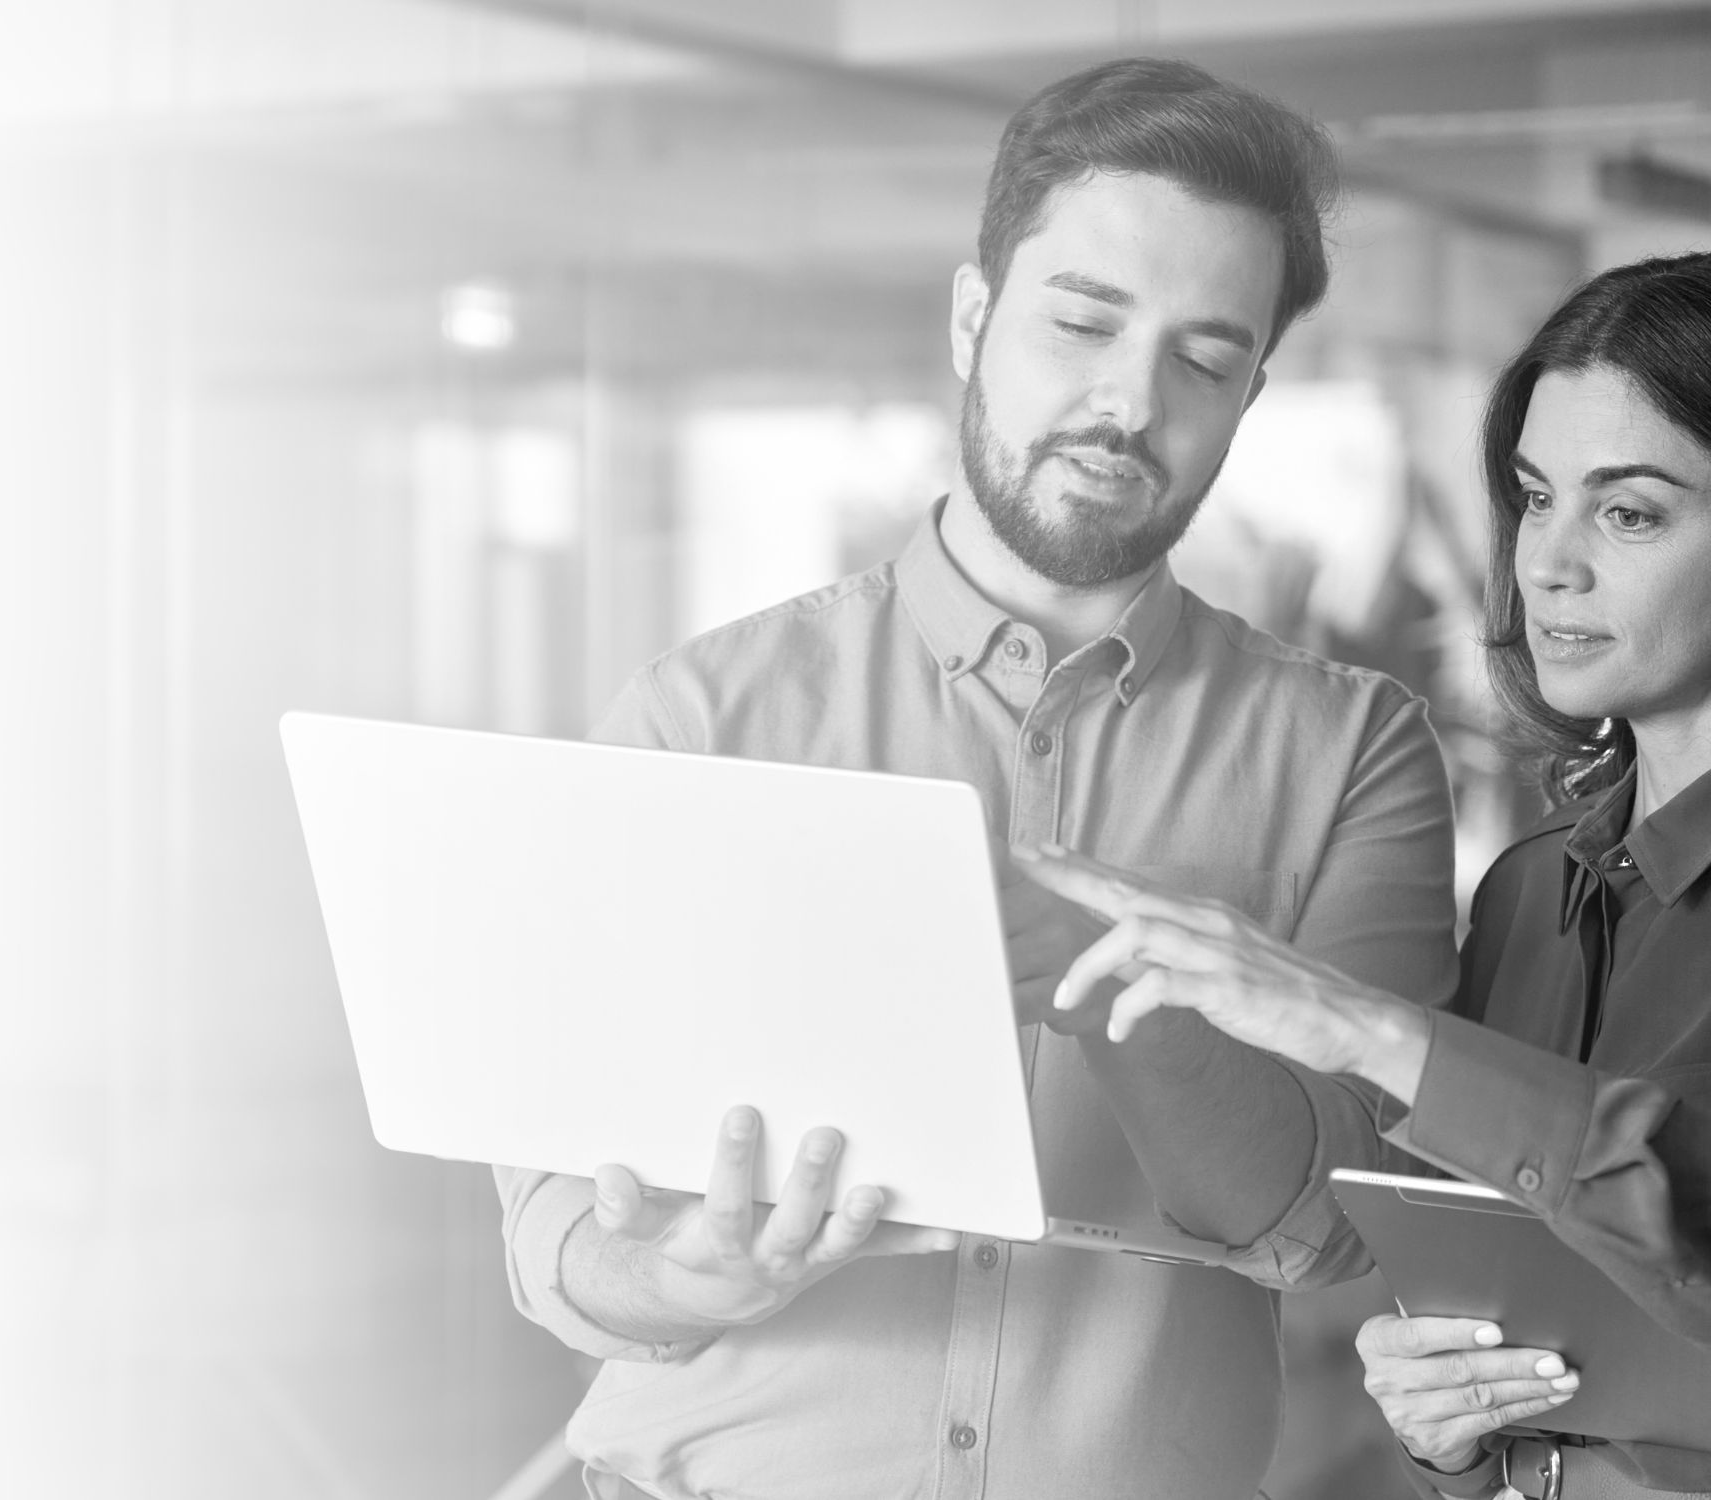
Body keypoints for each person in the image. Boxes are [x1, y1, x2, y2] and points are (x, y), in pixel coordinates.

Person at [495, 59, 1463, 1500]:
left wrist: (1110, 974)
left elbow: (1329, 1227)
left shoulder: (1351, 751)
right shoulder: (700, 715)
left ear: (1251, 394)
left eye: (1203, 362)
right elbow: (553, 1229)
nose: (1128, 403)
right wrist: (677, 1279)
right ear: (971, 320)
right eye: (1081, 323)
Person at [1020, 252, 1711, 1498]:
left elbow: (1681, 1218)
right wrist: (1447, 1427)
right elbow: (1524, 1329)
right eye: (1533, 498)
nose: (1546, 563)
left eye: (1628, 513)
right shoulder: (1527, 895)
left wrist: (1362, 1027)